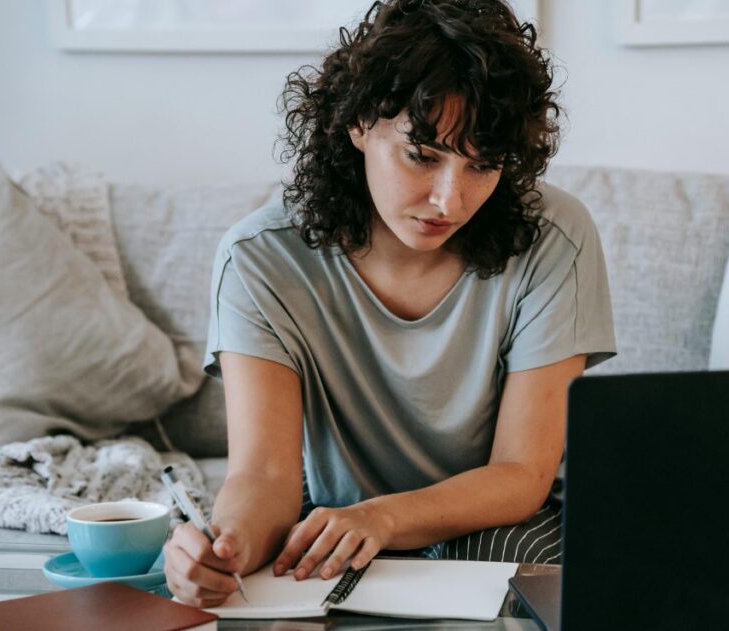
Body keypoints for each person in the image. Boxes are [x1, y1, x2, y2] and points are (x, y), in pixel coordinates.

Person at [164, 0, 616, 608]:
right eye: (422, 156)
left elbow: (522, 474)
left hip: (497, 523)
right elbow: (265, 476)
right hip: (336, 521)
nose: (449, 201)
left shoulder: (555, 237)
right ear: (358, 124)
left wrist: (384, 519)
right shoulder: (259, 259)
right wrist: (226, 549)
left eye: (482, 166)